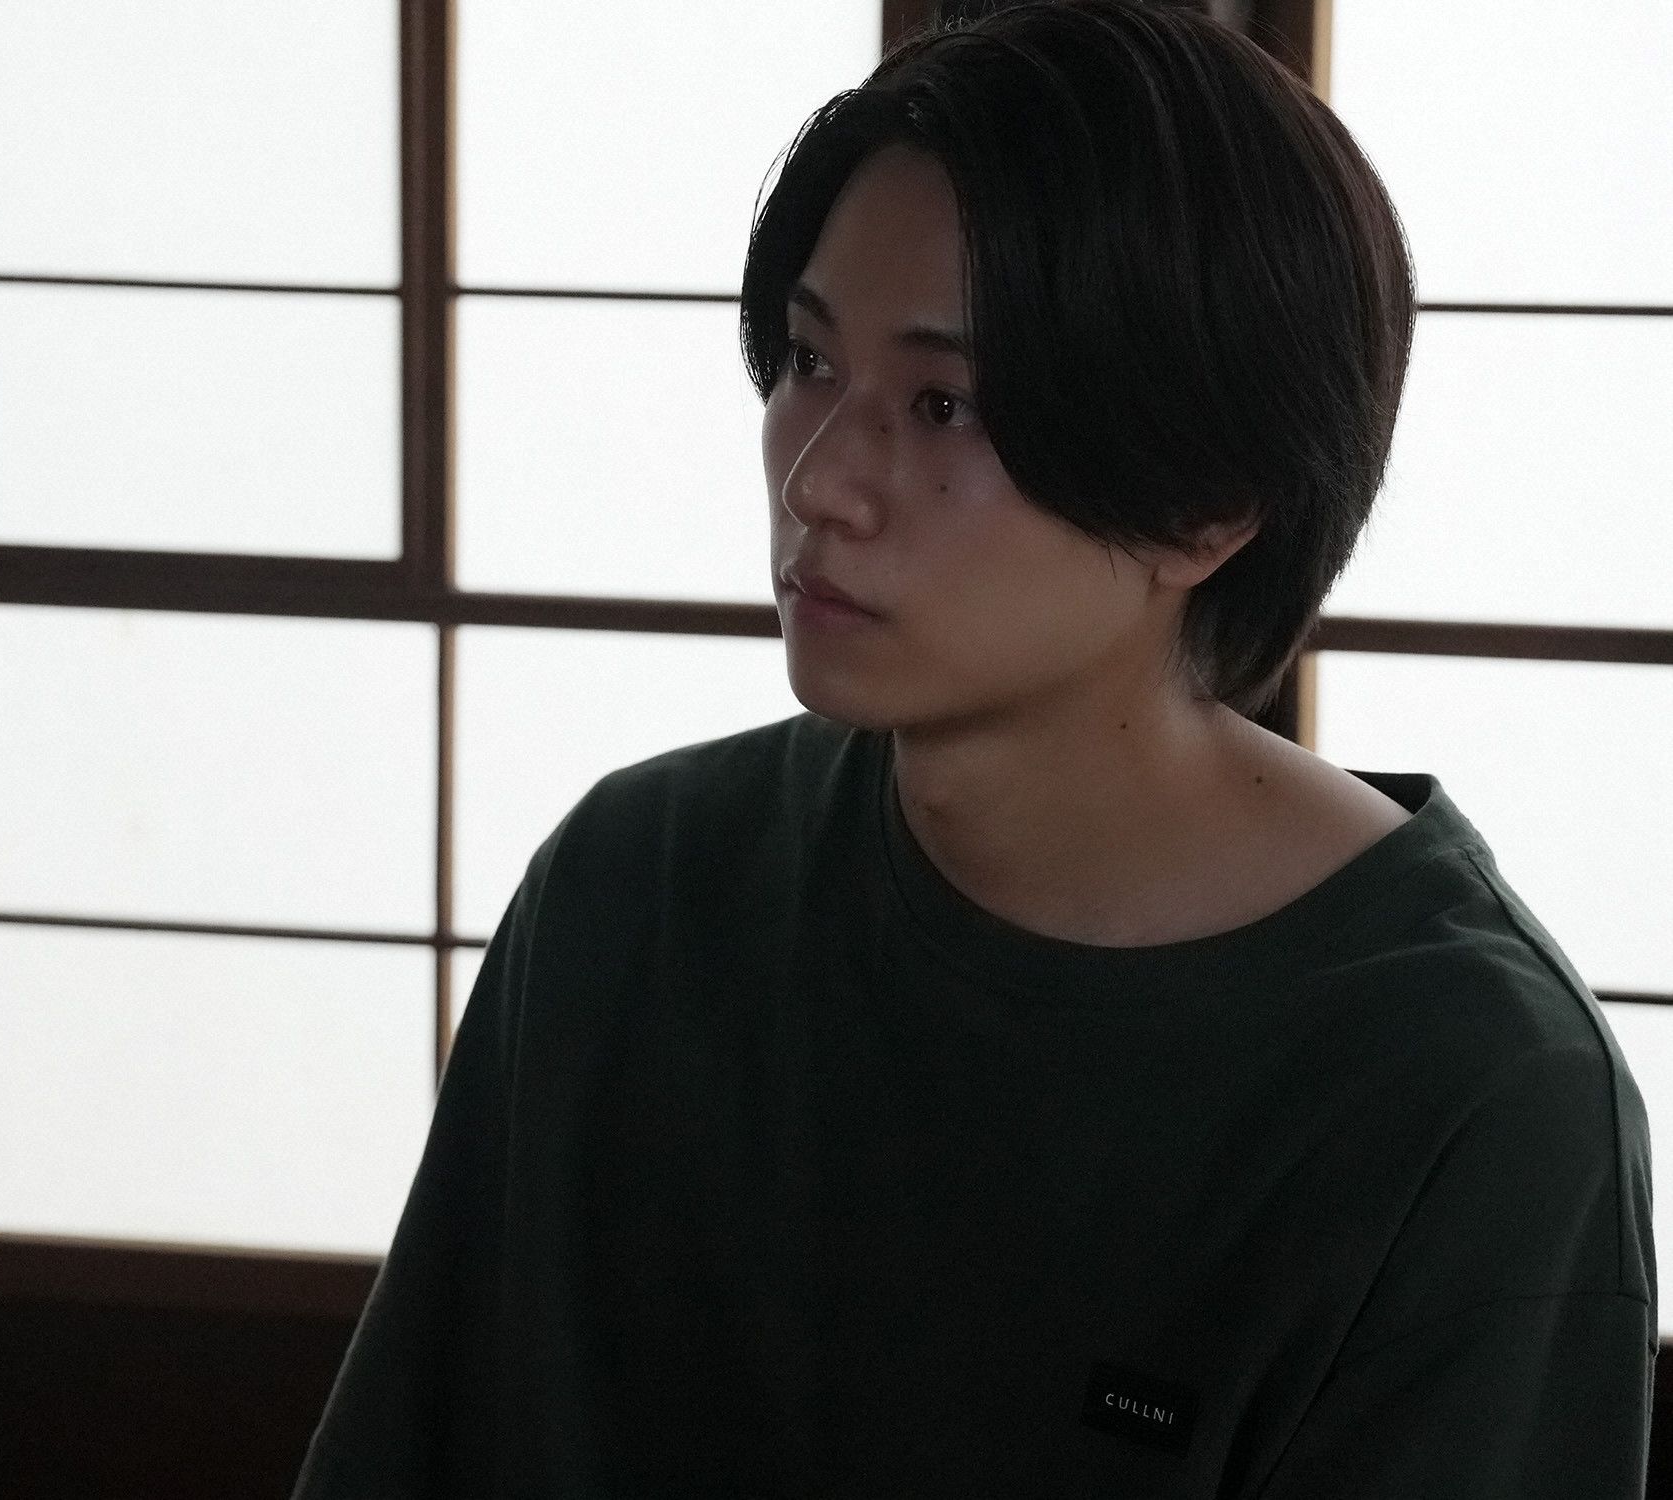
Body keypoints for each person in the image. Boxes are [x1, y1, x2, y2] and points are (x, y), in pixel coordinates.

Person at [292, 1, 1658, 1493]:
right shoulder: (636, 886)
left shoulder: (1466, 1093)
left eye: (943, 404)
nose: (820, 481)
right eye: (809, 361)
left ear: (1207, 507)